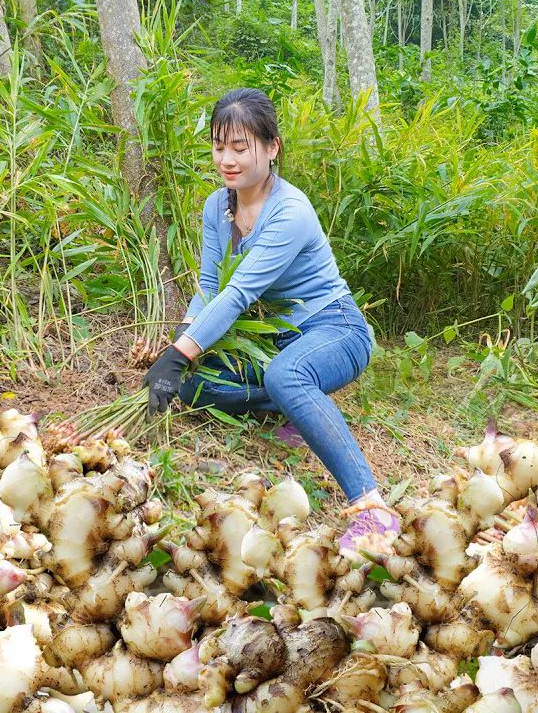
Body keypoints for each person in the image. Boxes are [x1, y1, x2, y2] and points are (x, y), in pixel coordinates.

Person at [142, 87, 399, 563]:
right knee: (195, 387)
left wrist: (178, 355)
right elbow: (209, 285)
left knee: (286, 375)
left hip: (334, 329)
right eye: (220, 147)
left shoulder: (290, 211)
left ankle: (371, 504)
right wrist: (181, 342)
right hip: (275, 341)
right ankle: (297, 410)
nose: (228, 160)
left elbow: (238, 294)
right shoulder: (216, 208)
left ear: (272, 147)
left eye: (241, 148)